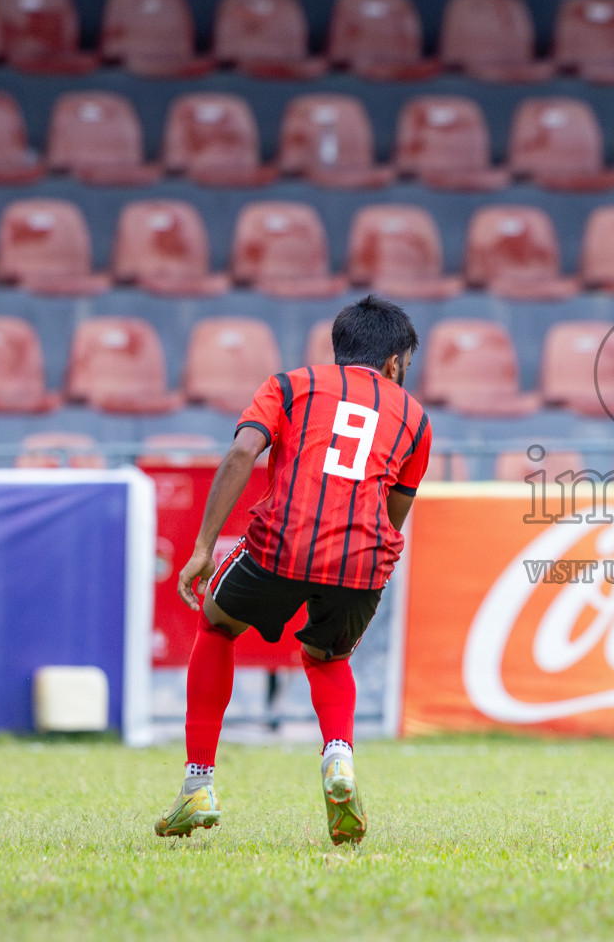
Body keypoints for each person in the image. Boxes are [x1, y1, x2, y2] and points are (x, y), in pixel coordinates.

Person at [155, 295, 430, 846]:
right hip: (364, 556)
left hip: (284, 542)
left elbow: (240, 456)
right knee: (330, 656)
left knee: (217, 624)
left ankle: (198, 784)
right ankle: (339, 760)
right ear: (396, 361)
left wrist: (204, 547)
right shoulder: (416, 418)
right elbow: (395, 513)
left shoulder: (288, 385)